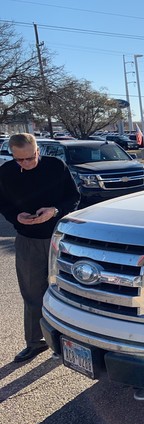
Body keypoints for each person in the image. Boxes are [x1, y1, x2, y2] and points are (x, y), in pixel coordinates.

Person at [0, 133, 80, 363]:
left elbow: (74, 197)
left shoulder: (56, 166)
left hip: (60, 239)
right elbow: (2, 202)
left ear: (38, 151)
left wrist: (54, 211)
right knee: (32, 294)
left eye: (29, 158)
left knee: (68, 292)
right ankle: (35, 342)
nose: (25, 163)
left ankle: (72, 342)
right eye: (19, 160)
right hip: (27, 240)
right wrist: (16, 216)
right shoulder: (6, 172)